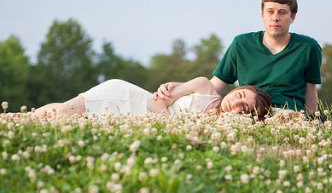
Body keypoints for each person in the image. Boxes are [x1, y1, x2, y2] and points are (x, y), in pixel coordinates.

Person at [155, 0, 322, 113]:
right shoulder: (242, 44)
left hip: (286, 114)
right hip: (245, 112)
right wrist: (180, 87)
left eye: (282, 12)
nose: (275, 17)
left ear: (292, 17)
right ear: (262, 15)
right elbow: (215, 86)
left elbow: (310, 91)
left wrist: (313, 122)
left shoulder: (308, 47)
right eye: (270, 12)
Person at [34, 77, 272, 119]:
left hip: (132, 122)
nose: (236, 104)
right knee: (64, 112)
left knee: (66, 121)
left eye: (244, 108)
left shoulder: (220, 128)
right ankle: (19, 117)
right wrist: (173, 128)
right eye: (240, 95)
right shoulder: (204, 87)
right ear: (233, 89)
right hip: (128, 99)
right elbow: (157, 101)